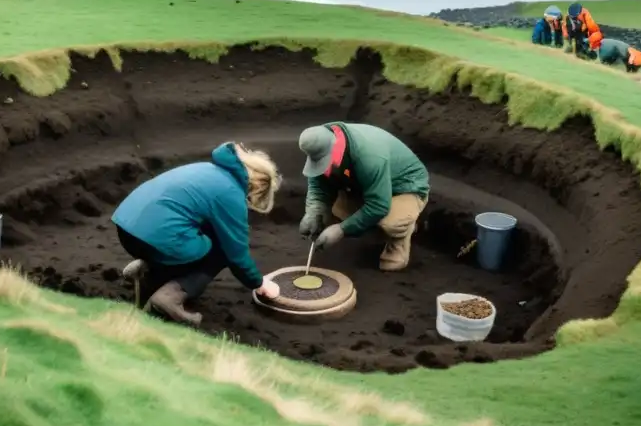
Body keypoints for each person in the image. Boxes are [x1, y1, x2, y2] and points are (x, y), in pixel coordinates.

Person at [111, 142, 282, 327]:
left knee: (202, 230)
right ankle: (169, 298)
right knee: (222, 251)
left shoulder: (208, 169)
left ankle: (150, 272)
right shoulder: (231, 193)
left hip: (127, 227)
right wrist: (260, 284)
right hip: (158, 238)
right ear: (256, 187)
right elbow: (237, 256)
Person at [297, 122, 430, 272]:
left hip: (403, 187)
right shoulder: (321, 143)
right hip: (368, 186)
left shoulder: (369, 156)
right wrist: (313, 211)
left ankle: (401, 235)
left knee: (391, 223)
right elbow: (318, 185)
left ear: (336, 148)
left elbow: (378, 205)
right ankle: (373, 227)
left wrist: (341, 229)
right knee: (338, 210)